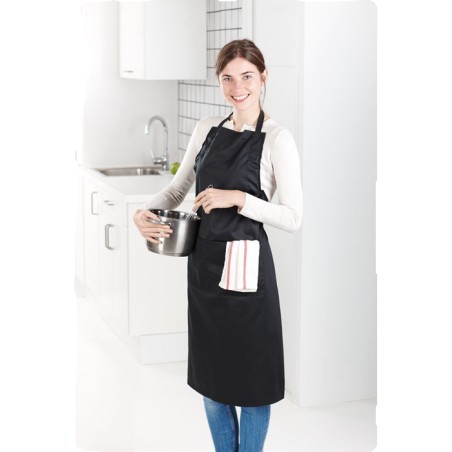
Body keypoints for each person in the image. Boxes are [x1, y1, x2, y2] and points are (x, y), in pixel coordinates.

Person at [134, 39, 303, 452]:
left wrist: (239, 198)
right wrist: (144, 212)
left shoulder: (277, 139)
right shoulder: (207, 128)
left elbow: (293, 217)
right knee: (212, 385)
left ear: (263, 77)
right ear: (219, 81)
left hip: (248, 274)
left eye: (247, 76)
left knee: (253, 390)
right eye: (227, 78)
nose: (237, 87)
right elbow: (178, 189)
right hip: (205, 270)